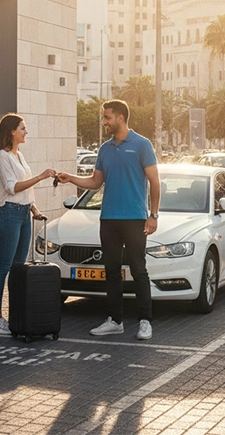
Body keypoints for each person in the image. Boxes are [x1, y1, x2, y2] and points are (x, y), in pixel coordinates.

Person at [57, 99, 160, 341]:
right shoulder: (105, 149)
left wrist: (153, 215)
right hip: (109, 219)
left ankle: (145, 322)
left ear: (120, 118)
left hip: (135, 218)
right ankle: (115, 321)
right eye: (104, 117)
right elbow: (95, 182)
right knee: (111, 271)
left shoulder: (142, 145)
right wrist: (70, 178)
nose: (104, 122)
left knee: (138, 270)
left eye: (107, 117)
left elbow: (155, 181)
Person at [0, 113, 56, 336]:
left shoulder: (19, 155)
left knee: (18, 267)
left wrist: (34, 208)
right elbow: (12, 187)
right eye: (23, 128)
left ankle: (16, 314)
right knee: (4, 266)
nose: (26, 132)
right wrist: (41, 176)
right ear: (12, 132)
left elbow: (25, 190)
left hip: (24, 213)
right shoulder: (2, 156)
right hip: (9, 214)